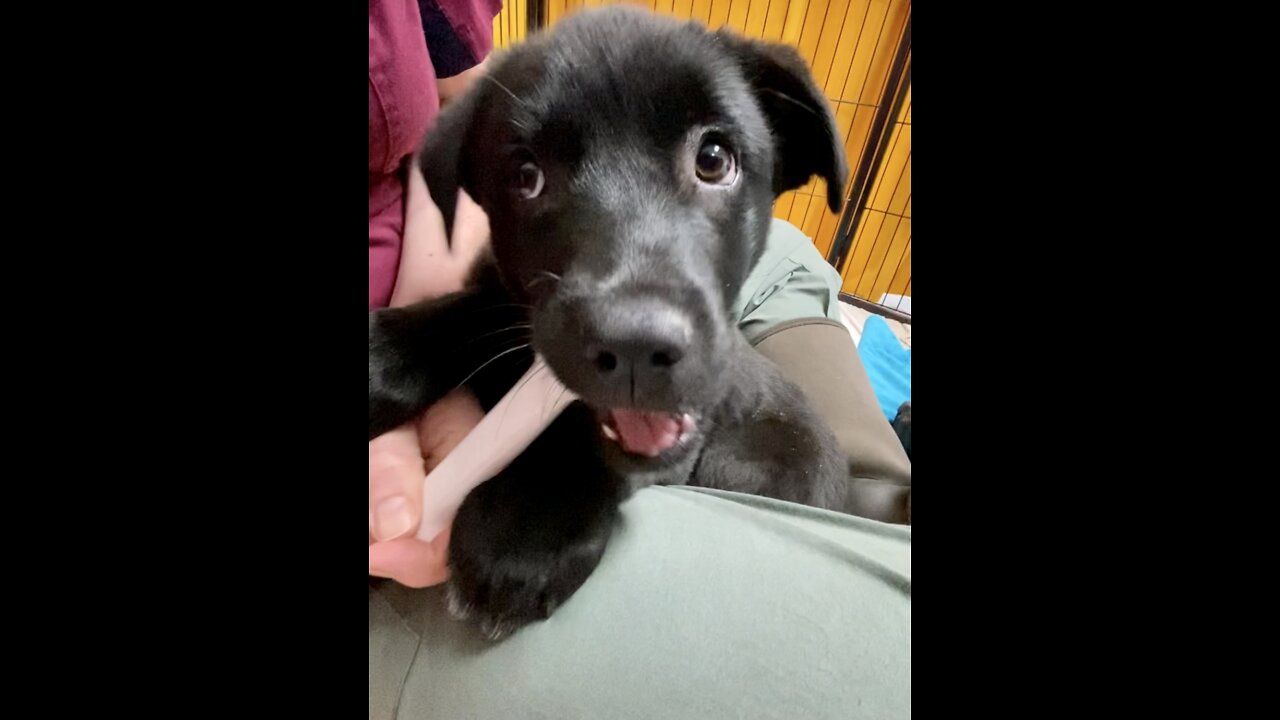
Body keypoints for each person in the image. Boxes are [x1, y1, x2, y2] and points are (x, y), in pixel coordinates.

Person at [368, 2, 911, 716]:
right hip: (555, 339)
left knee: (795, 264)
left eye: (711, 159)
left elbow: (461, 96)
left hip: (769, 460)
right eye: (528, 175)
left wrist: (577, 468)